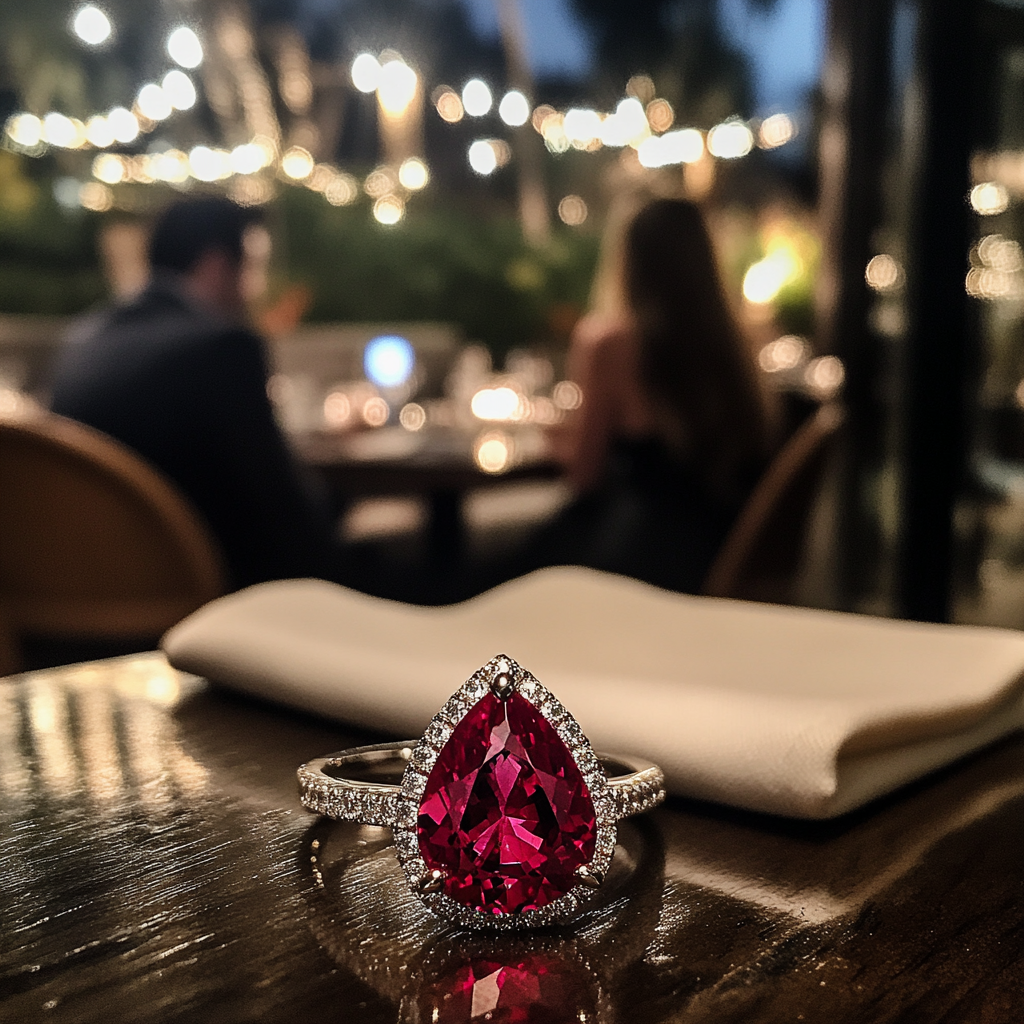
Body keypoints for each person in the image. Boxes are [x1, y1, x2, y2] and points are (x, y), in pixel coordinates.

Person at [49, 196, 338, 590]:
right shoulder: (222, 347)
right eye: (249, 270)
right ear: (218, 266)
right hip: (205, 604)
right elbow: (287, 520)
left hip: (76, 596)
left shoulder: (84, 338)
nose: (251, 291)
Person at [497, 196, 775, 595]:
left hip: (635, 558)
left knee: (487, 575)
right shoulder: (733, 348)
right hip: (719, 554)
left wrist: (558, 442)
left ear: (629, 261)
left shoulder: (611, 343)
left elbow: (585, 476)